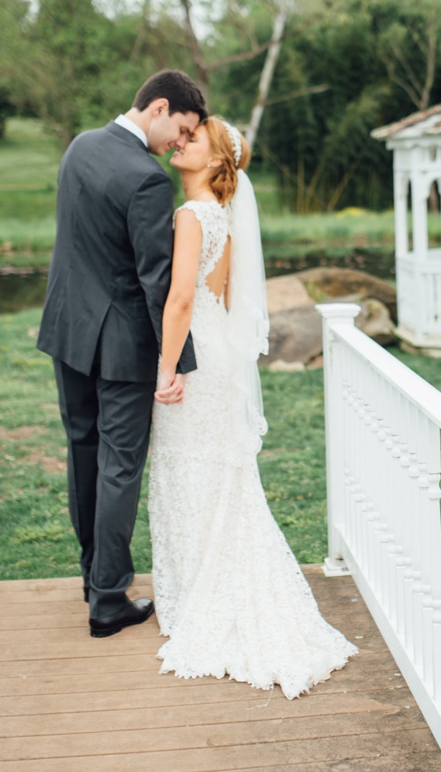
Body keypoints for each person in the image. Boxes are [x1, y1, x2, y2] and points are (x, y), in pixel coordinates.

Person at [148, 117, 357, 697]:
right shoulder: (223, 220)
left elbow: (183, 298)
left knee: (189, 470)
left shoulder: (192, 217)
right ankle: (209, 586)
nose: (183, 140)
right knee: (214, 472)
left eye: (196, 138)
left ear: (218, 162)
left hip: (195, 358)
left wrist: (165, 369)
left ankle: (200, 595)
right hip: (218, 357)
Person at [36, 70, 205, 638]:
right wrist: (175, 364)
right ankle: (108, 598)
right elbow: (159, 282)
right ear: (158, 108)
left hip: (67, 329)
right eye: (180, 130)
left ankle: (93, 576)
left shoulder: (80, 146)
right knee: (120, 464)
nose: (179, 144)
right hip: (122, 345)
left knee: (83, 451)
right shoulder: (147, 179)